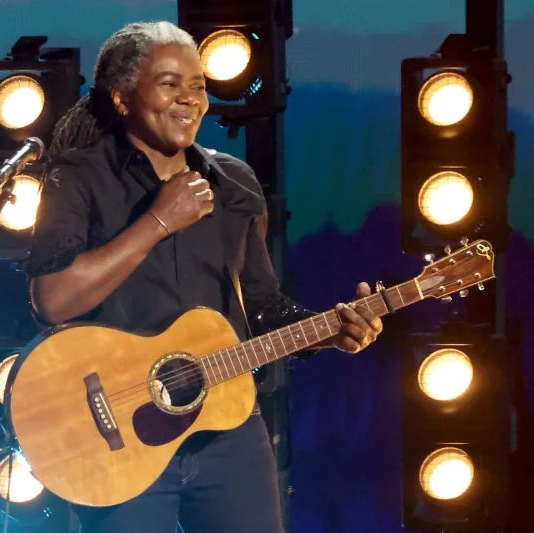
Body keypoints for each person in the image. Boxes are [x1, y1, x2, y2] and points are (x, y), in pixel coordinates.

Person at [25, 21, 382, 533]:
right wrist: (159, 221)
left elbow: (262, 307)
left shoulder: (234, 185)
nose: (189, 99)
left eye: (198, 87)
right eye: (170, 84)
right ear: (123, 98)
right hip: (117, 433)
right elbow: (53, 298)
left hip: (226, 429)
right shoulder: (76, 177)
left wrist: (329, 331)